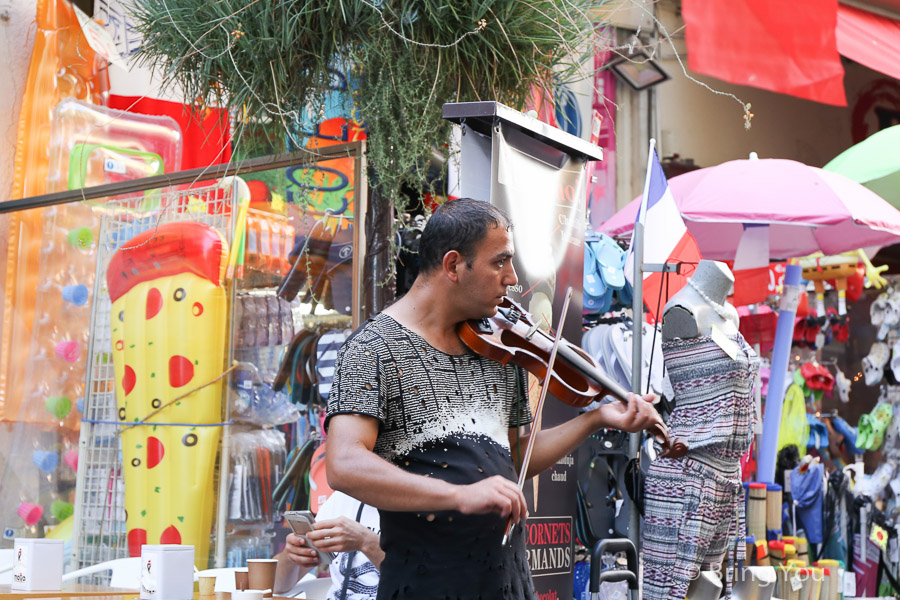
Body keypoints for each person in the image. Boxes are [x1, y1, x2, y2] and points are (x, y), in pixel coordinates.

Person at [324, 198, 665, 599]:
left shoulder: (498, 348)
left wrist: (596, 418)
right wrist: (459, 496)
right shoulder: (375, 349)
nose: (513, 278)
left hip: (509, 583)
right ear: (453, 266)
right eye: (500, 262)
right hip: (425, 585)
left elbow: (517, 454)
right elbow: (344, 464)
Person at [274, 490, 382, 600]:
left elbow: (400, 576)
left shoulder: (399, 503)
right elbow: (278, 586)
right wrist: (292, 555)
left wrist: (366, 542)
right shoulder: (342, 498)